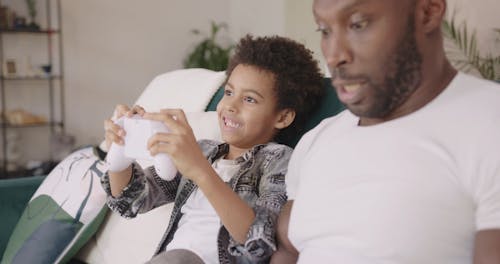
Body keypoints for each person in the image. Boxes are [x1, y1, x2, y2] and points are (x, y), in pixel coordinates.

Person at [272, 0, 500, 263]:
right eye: (324, 30)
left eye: (358, 25)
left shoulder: (488, 121)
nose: (334, 55)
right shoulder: (319, 137)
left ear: (427, 12)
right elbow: (288, 252)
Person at [101, 35, 324, 263]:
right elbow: (132, 200)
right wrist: (120, 153)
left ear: (283, 117)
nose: (230, 106)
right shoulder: (204, 151)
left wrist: (200, 169)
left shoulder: (279, 161)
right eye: (229, 93)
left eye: (249, 99)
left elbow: (259, 241)